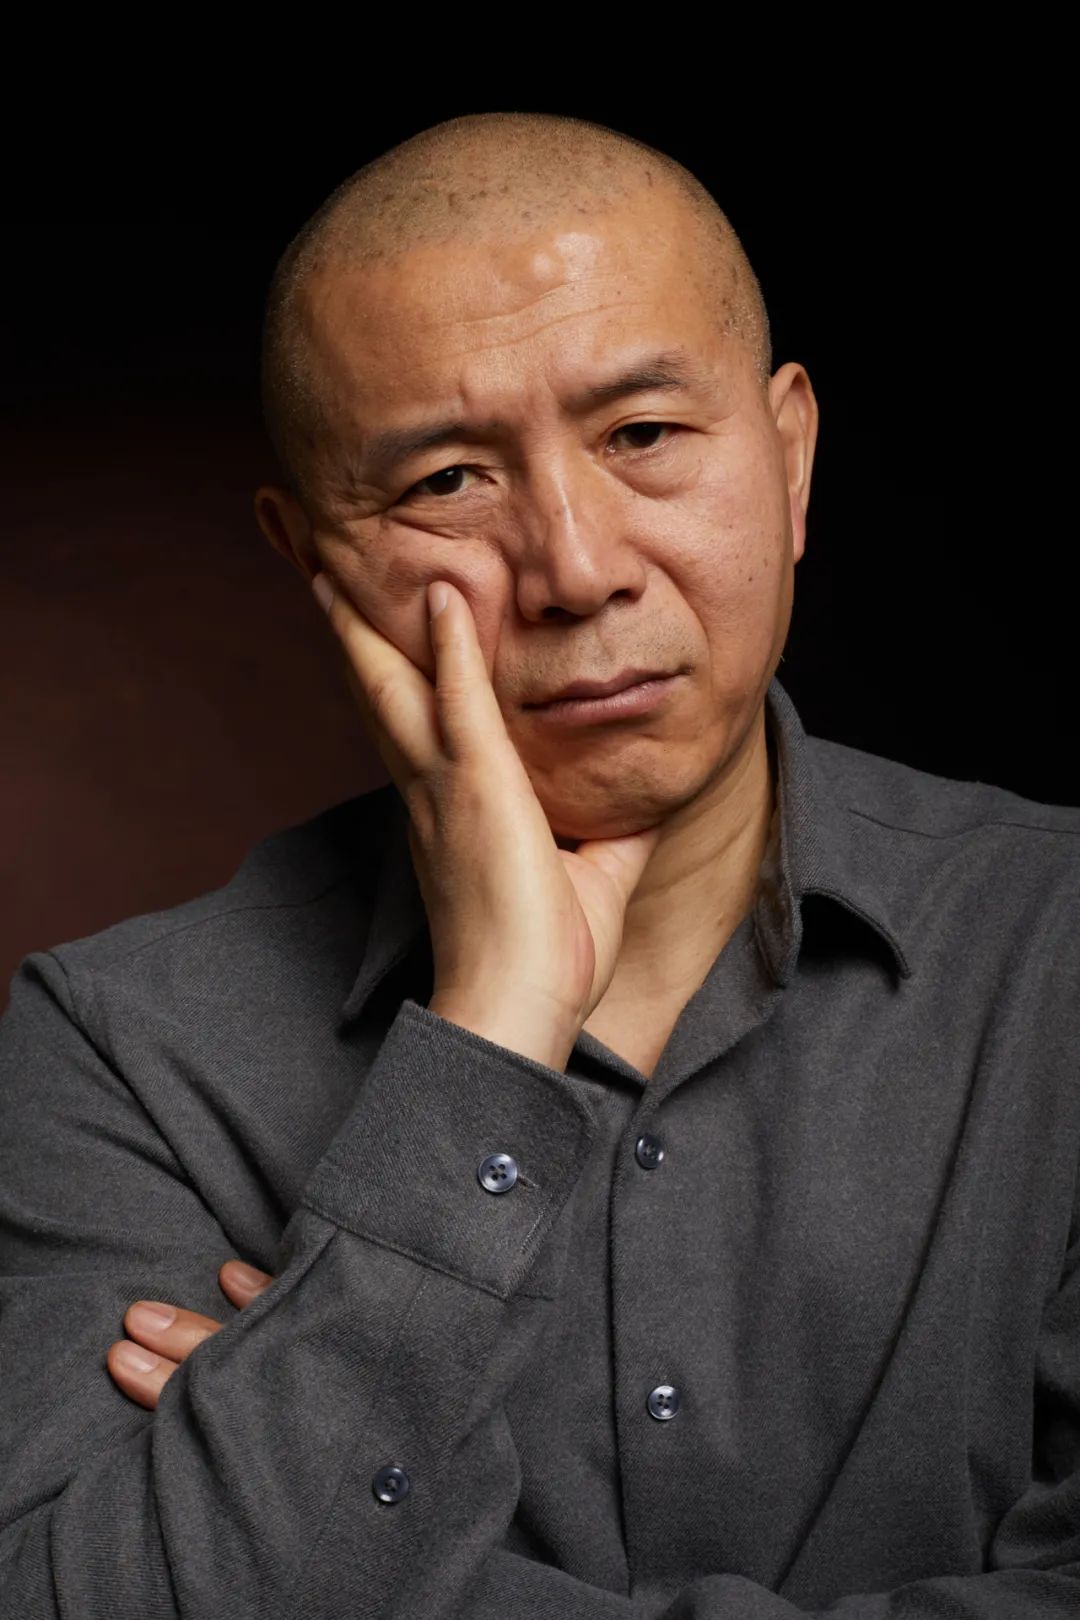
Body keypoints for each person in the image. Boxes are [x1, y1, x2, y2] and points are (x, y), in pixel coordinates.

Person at [1, 110, 1078, 1620]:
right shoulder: (120, 1053)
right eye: (449, 480)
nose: (576, 569)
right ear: (312, 563)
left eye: (642, 436)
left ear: (790, 459)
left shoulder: (1058, 946)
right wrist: (491, 1034)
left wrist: (387, 1567)